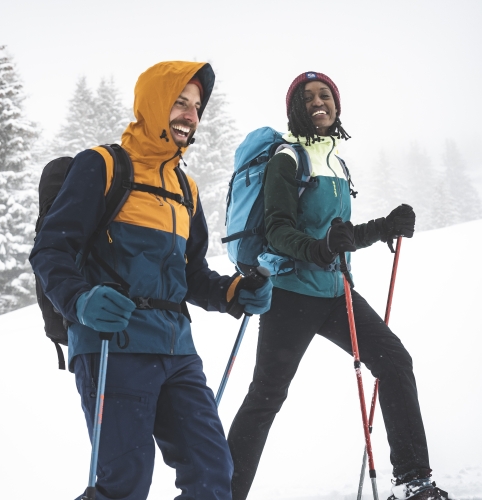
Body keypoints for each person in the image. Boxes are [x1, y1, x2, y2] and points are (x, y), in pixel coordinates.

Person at [29, 61, 272, 500]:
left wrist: (234, 292)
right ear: (156, 103)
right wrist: (81, 301)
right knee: (124, 486)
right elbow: (51, 250)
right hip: (111, 346)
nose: (189, 115)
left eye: (197, 107)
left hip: (177, 350)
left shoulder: (186, 189)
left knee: (213, 476)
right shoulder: (102, 166)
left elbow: (192, 275)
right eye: (180, 102)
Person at [226, 71, 451, 500]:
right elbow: (277, 230)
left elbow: (338, 236)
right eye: (308, 97)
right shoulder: (287, 159)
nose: (318, 102)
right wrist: (317, 248)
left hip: (335, 292)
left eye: (325, 95)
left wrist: (384, 227)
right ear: (295, 108)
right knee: (267, 395)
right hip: (290, 293)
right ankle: (221, 492)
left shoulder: (335, 160)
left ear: (336, 104)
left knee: (395, 361)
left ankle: (413, 482)